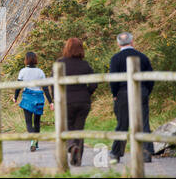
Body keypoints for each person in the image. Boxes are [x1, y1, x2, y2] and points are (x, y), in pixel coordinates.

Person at [109, 32, 154, 164]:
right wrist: (146, 91)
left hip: (123, 92)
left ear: (118, 43)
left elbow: (113, 79)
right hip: (141, 91)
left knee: (122, 123)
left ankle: (116, 153)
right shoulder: (143, 57)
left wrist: (114, 94)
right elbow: (150, 77)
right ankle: (146, 152)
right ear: (132, 42)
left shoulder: (116, 58)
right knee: (144, 122)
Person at [53, 38, 98, 166]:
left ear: (66, 48)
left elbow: (53, 83)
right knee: (79, 129)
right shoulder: (85, 65)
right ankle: (77, 160)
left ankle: (71, 146)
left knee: (67, 126)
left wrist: (55, 98)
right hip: (83, 102)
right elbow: (94, 83)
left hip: (66, 101)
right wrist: (87, 93)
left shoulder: (60, 63)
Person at [13, 52, 54, 152]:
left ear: (26, 60)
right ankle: (36, 143)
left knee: (28, 122)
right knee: (36, 122)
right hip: (39, 97)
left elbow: (19, 86)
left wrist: (15, 97)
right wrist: (50, 102)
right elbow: (45, 88)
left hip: (27, 97)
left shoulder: (23, 71)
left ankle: (33, 139)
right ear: (35, 59)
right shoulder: (40, 72)